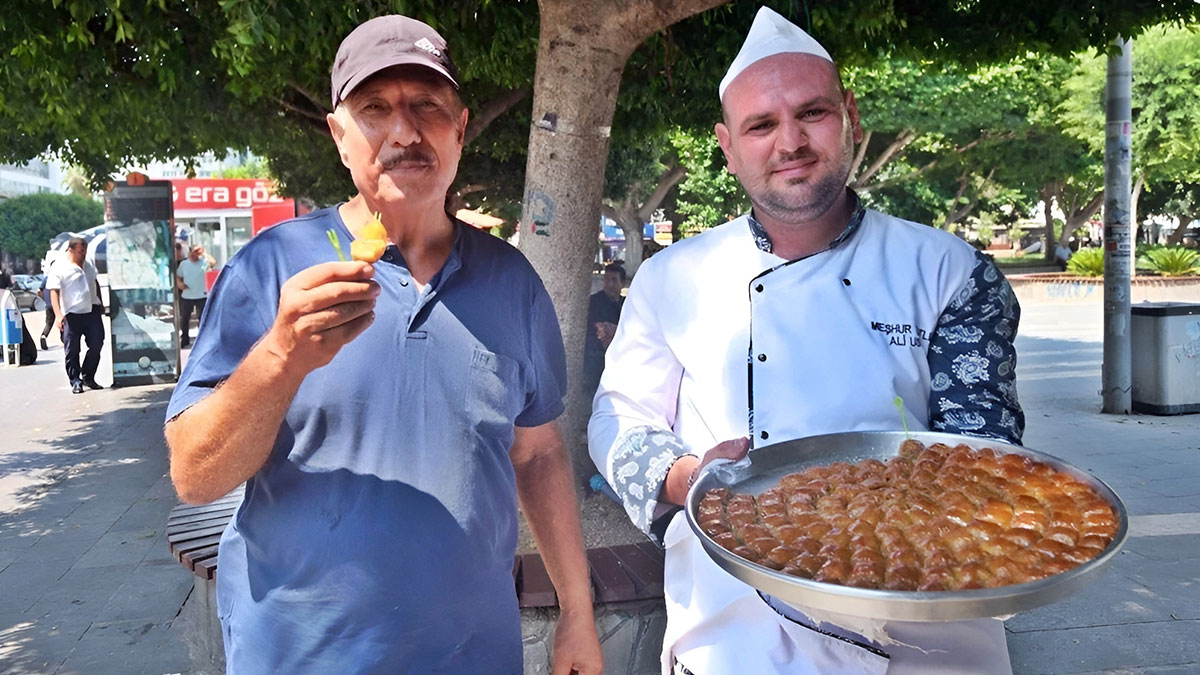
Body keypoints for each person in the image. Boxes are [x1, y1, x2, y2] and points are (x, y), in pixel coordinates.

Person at [589, 7, 1024, 674]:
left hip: (924, 629)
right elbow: (620, 420)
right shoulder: (670, 277)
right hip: (736, 630)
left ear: (848, 114)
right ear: (728, 146)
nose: (789, 141)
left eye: (812, 113)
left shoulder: (950, 272)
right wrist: (688, 478)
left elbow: (983, 459)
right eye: (761, 125)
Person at [163, 14, 601, 674]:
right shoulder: (270, 268)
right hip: (298, 655)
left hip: (473, 653)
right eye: (375, 108)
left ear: (459, 129)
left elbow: (538, 453)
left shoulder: (513, 282)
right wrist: (283, 354)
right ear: (341, 137)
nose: (403, 130)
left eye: (426, 105)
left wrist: (578, 612)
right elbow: (196, 476)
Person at [47, 237, 105, 393]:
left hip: (92, 310)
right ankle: (75, 381)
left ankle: (88, 376)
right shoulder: (59, 266)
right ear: (71, 250)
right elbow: (54, 291)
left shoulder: (89, 263)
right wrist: (58, 315)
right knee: (72, 349)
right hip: (71, 313)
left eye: (85, 251)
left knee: (97, 343)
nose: (83, 254)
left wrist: (101, 302)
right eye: (80, 252)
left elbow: (95, 282)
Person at [582, 262, 626, 399]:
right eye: (607, 280)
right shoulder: (594, 302)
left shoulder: (627, 304)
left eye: (614, 280)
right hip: (597, 361)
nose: (610, 284)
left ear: (622, 284)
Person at [175, 244, 209, 348]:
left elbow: (213, 263)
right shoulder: (184, 264)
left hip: (201, 295)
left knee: (202, 319)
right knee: (184, 319)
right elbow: (178, 277)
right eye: (192, 252)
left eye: (196, 252)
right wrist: (180, 284)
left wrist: (205, 254)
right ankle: (185, 339)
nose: (194, 255)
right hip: (187, 295)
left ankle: (202, 340)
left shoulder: (204, 263)